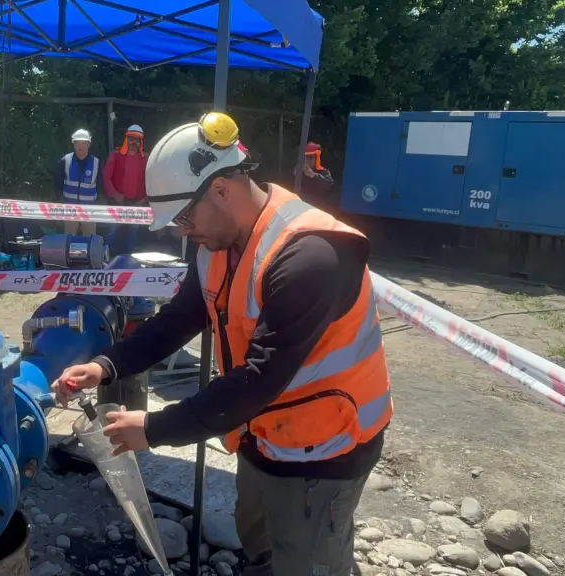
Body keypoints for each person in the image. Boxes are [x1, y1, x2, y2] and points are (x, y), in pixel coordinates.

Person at [53, 113, 392, 576]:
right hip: (264, 434)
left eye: (184, 217)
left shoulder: (311, 256)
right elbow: (178, 320)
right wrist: (107, 365)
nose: (181, 231)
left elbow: (259, 378)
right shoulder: (216, 245)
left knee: (311, 565)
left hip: (326, 448)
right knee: (263, 549)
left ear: (220, 189)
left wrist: (153, 428)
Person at [103, 124, 148, 255]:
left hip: (136, 204)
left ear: (141, 142)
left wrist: (145, 199)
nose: (134, 142)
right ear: (126, 139)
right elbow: (106, 178)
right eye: (131, 139)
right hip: (117, 203)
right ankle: (104, 259)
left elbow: (152, 180)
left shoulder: (145, 159)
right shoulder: (115, 156)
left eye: (137, 140)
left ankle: (129, 261)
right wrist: (114, 194)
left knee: (133, 235)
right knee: (112, 231)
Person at [54, 128, 103, 236]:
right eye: (77, 143)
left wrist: (98, 204)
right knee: (68, 239)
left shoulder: (96, 163)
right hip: (70, 209)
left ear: (88, 144)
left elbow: (101, 186)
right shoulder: (65, 160)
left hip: (89, 209)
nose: (80, 146)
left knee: (90, 240)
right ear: (73, 144)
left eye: (83, 143)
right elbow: (57, 182)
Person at [296, 141, 335, 208]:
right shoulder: (299, 170)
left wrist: (314, 175)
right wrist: (294, 175)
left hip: (317, 209)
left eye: (311, 157)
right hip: (301, 208)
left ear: (317, 158)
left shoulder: (323, 171)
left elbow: (329, 184)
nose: (308, 160)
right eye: (306, 157)